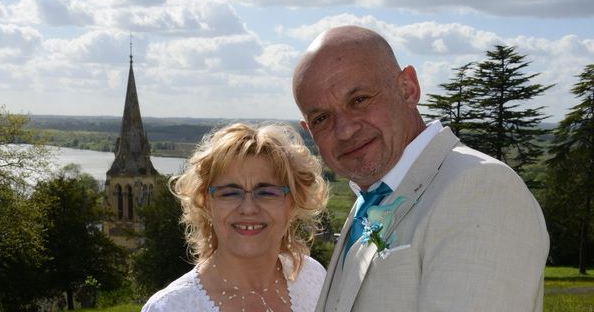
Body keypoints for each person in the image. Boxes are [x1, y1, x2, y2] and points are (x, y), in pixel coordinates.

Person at [292, 25, 549, 312]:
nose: (345, 130)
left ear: (408, 89)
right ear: (309, 131)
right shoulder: (373, 197)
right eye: (322, 118)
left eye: (360, 100)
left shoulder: (483, 189)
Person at [142, 122, 329, 312]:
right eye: (229, 193)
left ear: (293, 202)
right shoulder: (170, 307)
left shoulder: (314, 278)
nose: (248, 208)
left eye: (267, 192)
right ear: (206, 203)